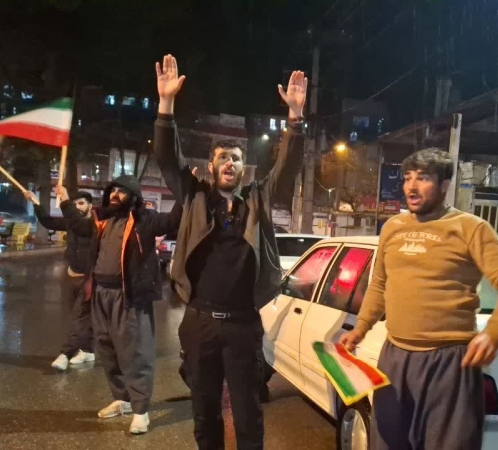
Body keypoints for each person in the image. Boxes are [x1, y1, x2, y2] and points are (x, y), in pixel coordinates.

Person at [153, 54, 307, 450]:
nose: (229, 163)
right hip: (200, 322)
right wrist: (166, 105)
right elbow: (168, 159)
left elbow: (287, 169)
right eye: (222, 157)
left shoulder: (257, 199)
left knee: (248, 412)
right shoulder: (194, 196)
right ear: (210, 165)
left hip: (242, 324)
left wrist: (294, 118)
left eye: (236, 159)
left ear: (244, 169)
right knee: (204, 411)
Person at [339, 148, 498, 450]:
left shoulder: (470, 228)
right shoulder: (393, 227)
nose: (411, 187)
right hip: (395, 358)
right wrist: (360, 328)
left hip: (449, 363)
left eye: (423, 178)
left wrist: (493, 334)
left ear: (444, 185)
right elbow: (379, 284)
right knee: (387, 443)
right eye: (407, 178)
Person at [59, 177, 182, 435]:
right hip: (100, 294)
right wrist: (65, 202)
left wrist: (184, 191)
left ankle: (140, 411)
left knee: (135, 353)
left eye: (122, 191)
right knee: (106, 349)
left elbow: (172, 221)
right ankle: (122, 399)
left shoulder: (145, 220)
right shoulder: (102, 219)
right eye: (113, 190)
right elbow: (78, 226)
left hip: (129, 297)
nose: (115, 194)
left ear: (134, 196)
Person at [24, 189, 95, 370]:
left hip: (90, 279)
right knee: (81, 318)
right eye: (75, 204)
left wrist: (66, 200)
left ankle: (66, 354)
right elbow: (48, 221)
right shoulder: (72, 223)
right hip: (73, 275)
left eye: (81, 203)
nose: (77, 207)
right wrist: (35, 202)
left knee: (79, 317)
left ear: (90, 206)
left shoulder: (95, 224)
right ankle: (88, 350)